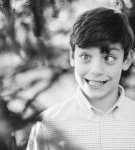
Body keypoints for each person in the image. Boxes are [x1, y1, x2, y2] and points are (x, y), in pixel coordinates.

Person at [26, 7, 135, 150]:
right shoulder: (48, 124)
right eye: (85, 56)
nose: (96, 70)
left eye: (109, 58)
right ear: (72, 57)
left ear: (126, 60)